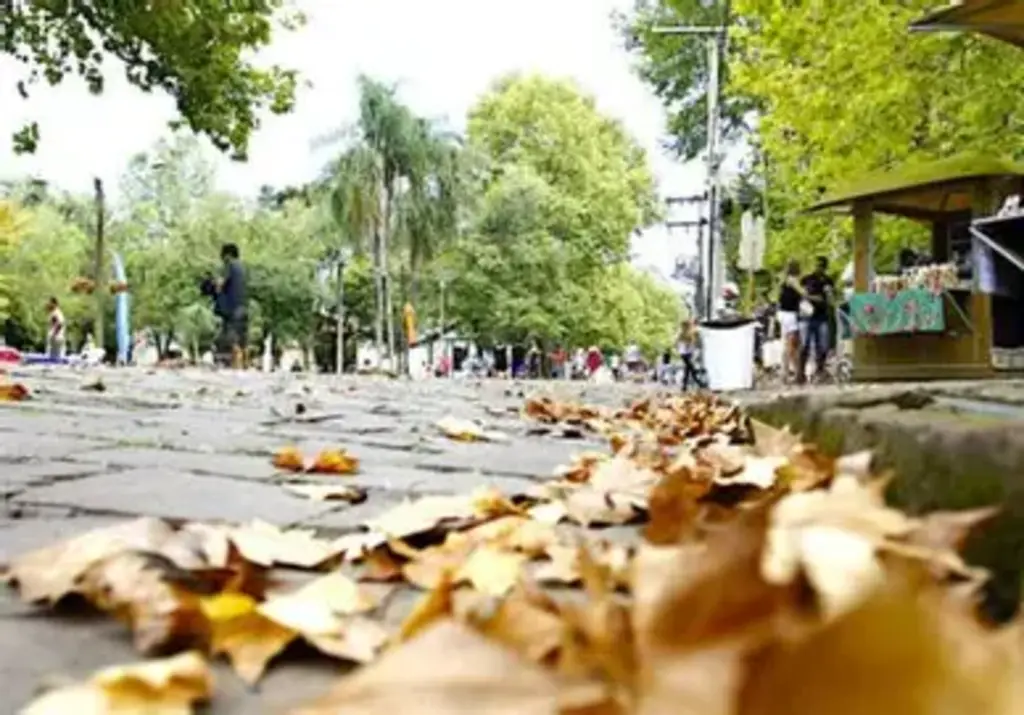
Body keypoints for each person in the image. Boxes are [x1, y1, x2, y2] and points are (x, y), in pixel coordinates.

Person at [799, 256, 835, 383]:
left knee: (823, 345)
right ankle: (801, 373)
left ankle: (820, 369)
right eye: (817, 264)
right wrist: (812, 298)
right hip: (807, 316)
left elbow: (829, 298)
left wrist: (828, 295)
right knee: (805, 345)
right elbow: (801, 295)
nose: (819, 267)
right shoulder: (806, 279)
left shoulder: (828, 280)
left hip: (822, 316)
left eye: (821, 265)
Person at [215, 243, 248, 369]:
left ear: (227, 255)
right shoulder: (243, 268)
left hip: (232, 308)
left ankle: (237, 366)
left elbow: (221, 284)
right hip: (244, 306)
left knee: (232, 338)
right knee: (242, 338)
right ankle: (244, 366)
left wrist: (216, 284)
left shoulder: (230, 265)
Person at [777, 260, 804, 383]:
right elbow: (803, 293)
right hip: (790, 315)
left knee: (790, 343)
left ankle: (789, 371)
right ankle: (789, 372)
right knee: (791, 344)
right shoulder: (792, 280)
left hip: (784, 313)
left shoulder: (784, 281)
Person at [677, 319, 703, 391]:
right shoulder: (682, 333)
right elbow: (679, 342)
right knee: (691, 367)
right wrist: (685, 344)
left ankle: (684, 386)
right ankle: (698, 381)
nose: (688, 326)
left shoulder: (691, 332)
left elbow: (693, 341)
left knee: (687, 369)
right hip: (684, 353)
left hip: (689, 352)